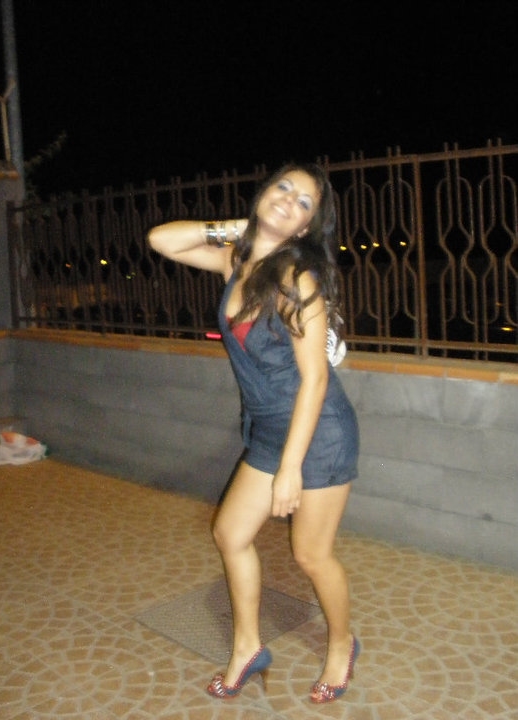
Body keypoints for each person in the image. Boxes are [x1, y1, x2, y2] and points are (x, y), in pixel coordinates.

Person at [147, 163, 359, 704]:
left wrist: (290, 468)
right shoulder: (237, 262)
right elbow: (161, 240)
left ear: (307, 227)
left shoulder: (295, 279)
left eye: (304, 202)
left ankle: (341, 645)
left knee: (310, 553)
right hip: (269, 427)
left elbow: (315, 379)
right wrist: (241, 229)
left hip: (319, 432)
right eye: (283, 188)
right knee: (230, 533)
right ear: (263, 193)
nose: (289, 200)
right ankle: (248, 647)